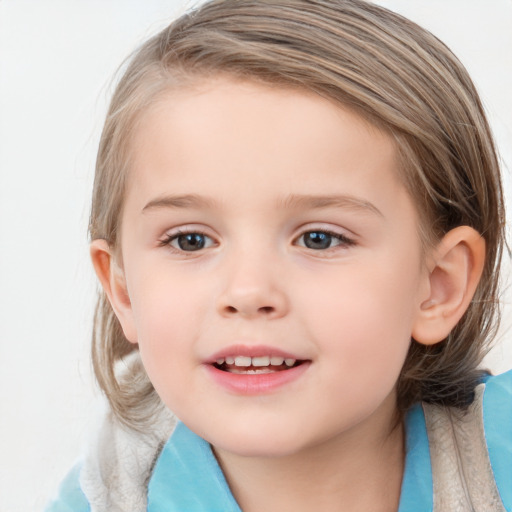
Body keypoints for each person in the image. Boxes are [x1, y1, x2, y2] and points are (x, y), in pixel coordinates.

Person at [45, 0, 510, 510]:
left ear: (438, 286)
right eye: (190, 240)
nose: (248, 292)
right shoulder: (102, 499)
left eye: (319, 238)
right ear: (124, 288)